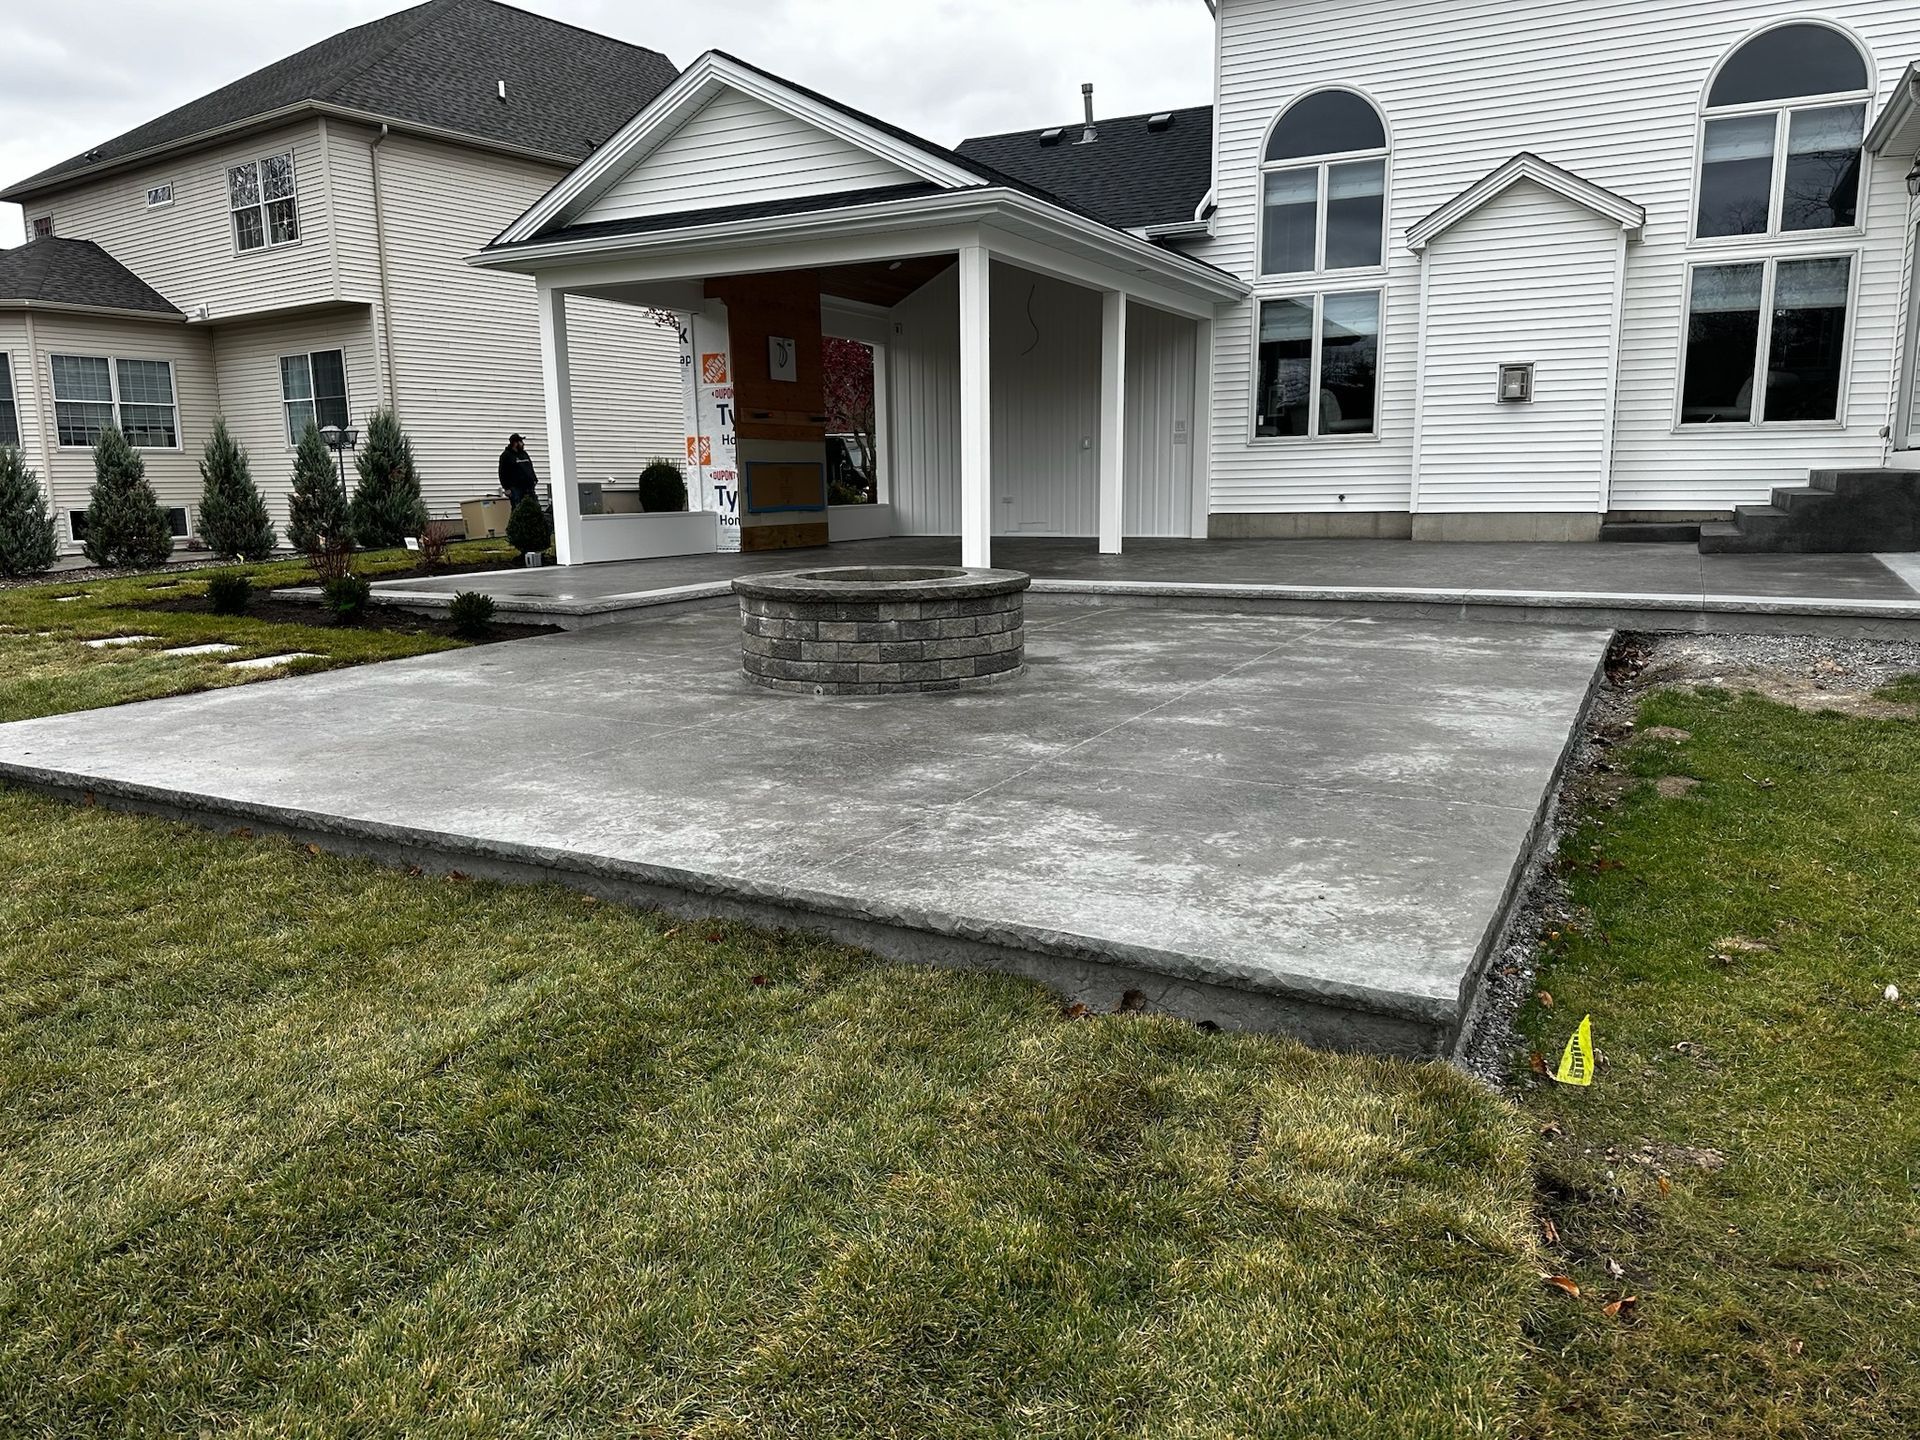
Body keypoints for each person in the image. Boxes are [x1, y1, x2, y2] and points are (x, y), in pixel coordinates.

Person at [498, 434, 539, 510]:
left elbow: (530, 467)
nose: (523, 444)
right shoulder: (506, 456)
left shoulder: (524, 454)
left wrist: (534, 479)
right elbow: (502, 473)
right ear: (515, 443)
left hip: (529, 487)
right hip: (515, 489)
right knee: (518, 509)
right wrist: (506, 488)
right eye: (521, 442)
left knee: (534, 508)